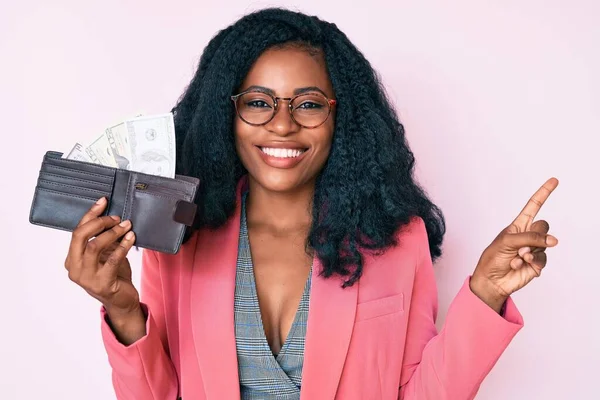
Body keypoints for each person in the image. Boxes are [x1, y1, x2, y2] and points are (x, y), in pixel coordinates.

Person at [63, 8, 559, 400]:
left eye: (308, 103)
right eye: (258, 101)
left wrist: (485, 293)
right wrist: (123, 309)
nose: (282, 125)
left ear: (341, 115)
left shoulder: (395, 235)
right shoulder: (181, 235)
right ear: (226, 114)